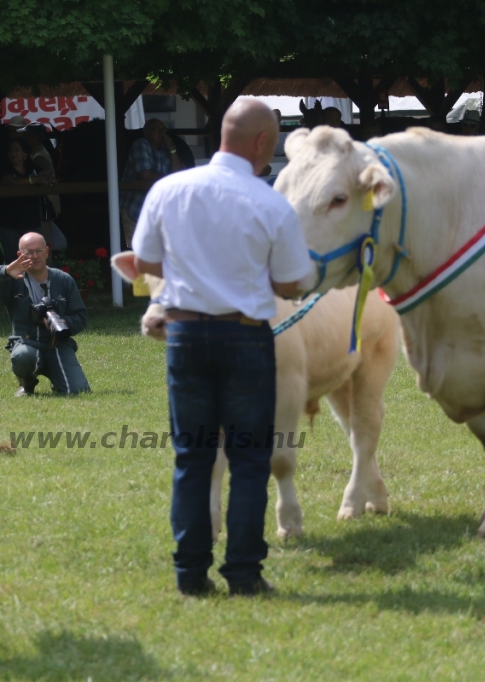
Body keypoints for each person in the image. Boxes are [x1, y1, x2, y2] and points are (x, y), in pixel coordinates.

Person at [131, 99, 312, 596]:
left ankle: (190, 576)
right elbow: (295, 284)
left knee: (192, 456)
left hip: (185, 335)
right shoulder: (271, 201)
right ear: (261, 143)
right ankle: (244, 574)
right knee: (250, 457)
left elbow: (145, 261)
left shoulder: (168, 189)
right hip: (245, 336)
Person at [0, 231, 90, 396]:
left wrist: (63, 322)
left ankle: (58, 380)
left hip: (58, 345)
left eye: (39, 251)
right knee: (23, 357)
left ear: (47, 252)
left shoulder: (63, 280)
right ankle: (27, 385)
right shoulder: (13, 280)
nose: (35, 256)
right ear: (20, 255)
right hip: (27, 343)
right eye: (28, 252)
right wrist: (6, 270)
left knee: (77, 390)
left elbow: (81, 317)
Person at [120, 118, 183, 246]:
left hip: (157, 214)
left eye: (164, 129)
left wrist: (172, 149)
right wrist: (170, 179)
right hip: (135, 210)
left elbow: (179, 174)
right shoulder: (141, 144)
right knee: (137, 254)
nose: (162, 133)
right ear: (146, 133)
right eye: (157, 129)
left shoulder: (166, 150)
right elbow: (145, 174)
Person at [0, 138, 55, 263]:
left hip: (31, 222)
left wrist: (46, 178)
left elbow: (47, 177)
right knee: (13, 261)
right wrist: (34, 180)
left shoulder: (34, 169)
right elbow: (10, 182)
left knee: (36, 259)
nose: (13, 153)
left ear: (25, 154)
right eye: (11, 150)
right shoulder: (3, 169)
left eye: (17, 150)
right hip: (7, 224)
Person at [18, 122, 67, 251]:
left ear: (33, 137)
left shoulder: (39, 156)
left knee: (44, 243)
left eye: (26, 136)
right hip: (45, 205)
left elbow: (44, 181)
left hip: (45, 206)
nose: (24, 139)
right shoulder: (38, 153)